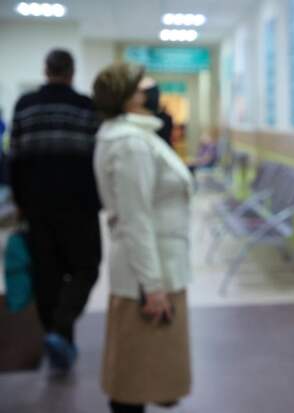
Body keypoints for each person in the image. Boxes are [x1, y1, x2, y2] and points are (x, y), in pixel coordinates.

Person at [92, 63, 192, 413]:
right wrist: (152, 286)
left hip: (156, 267)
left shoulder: (134, 137)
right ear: (128, 97)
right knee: (132, 381)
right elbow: (136, 219)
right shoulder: (131, 144)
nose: (149, 91)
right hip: (147, 274)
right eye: (141, 86)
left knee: (143, 373)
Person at [8, 49, 101, 371]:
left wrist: (20, 203)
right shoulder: (86, 107)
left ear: (45, 71)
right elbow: (97, 159)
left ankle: (56, 337)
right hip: (79, 208)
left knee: (47, 276)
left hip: (37, 208)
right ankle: (62, 331)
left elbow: (14, 159)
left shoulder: (25, 106)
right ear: (72, 73)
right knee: (87, 268)